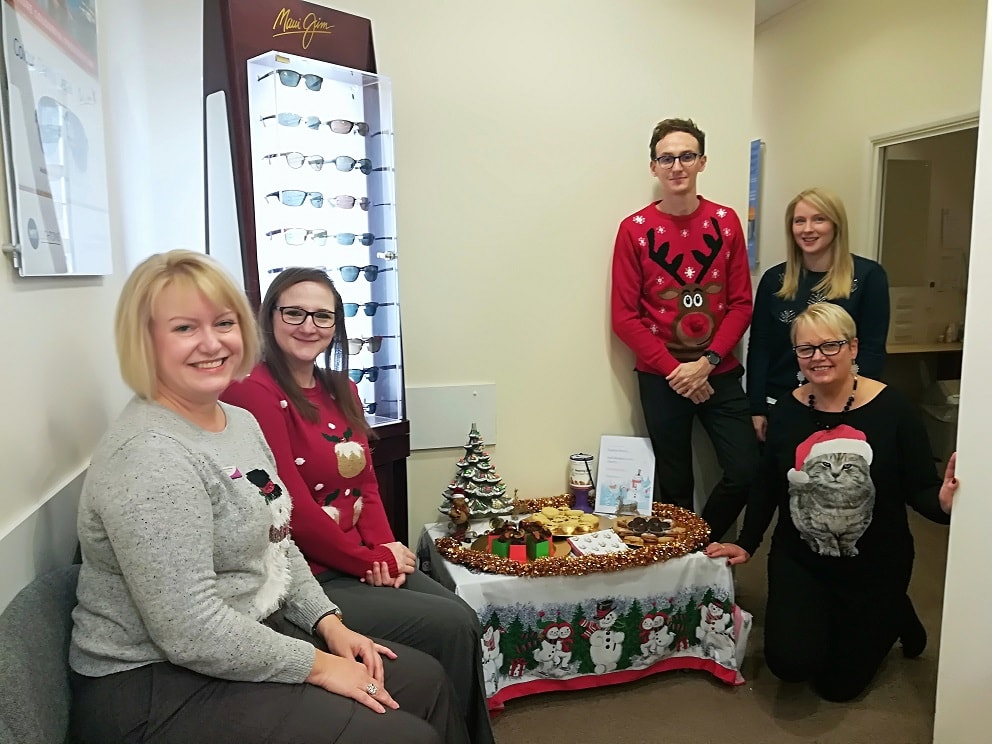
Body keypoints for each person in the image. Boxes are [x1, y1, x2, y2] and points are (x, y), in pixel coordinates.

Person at [69, 251, 469, 744]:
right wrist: (318, 664)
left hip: (245, 634)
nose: (212, 343)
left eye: (223, 322)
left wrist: (328, 621)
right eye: (184, 329)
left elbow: (277, 538)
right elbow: (191, 631)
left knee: (425, 680)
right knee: (405, 733)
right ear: (144, 340)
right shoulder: (151, 457)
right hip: (155, 685)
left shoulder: (236, 422)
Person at [221, 267, 494, 744]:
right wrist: (370, 560)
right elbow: (292, 509)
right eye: (294, 312)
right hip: (313, 575)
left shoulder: (340, 389)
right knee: (449, 626)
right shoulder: (253, 391)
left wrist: (386, 544)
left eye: (323, 316)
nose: (309, 326)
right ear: (269, 318)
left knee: (463, 617)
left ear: (337, 326)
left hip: (357, 558)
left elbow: (365, 483)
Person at [706, 303, 957, 702]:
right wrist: (748, 542)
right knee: (791, 665)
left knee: (836, 688)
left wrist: (944, 503)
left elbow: (920, 488)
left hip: (875, 563)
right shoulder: (788, 410)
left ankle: (894, 611)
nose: (818, 357)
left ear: (854, 347)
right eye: (806, 349)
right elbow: (769, 485)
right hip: (802, 558)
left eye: (830, 346)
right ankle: (857, 613)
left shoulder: (894, 410)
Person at [610, 117, 758, 536]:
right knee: (675, 485)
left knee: (745, 470)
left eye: (686, 156)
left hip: (719, 373)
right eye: (667, 158)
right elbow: (625, 317)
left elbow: (741, 304)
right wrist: (678, 372)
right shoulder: (633, 230)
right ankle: (683, 575)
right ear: (654, 166)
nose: (677, 166)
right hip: (662, 379)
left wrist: (707, 363)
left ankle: (699, 545)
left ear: (702, 162)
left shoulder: (727, 222)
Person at [747, 187, 890, 442]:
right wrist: (756, 408)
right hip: (780, 404)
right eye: (799, 221)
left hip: (843, 407)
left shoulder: (869, 277)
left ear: (836, 225)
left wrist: (858, 404)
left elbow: (872, 350)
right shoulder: (774, 281)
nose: (807, 229)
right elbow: (760, 349)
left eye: (819, 219)